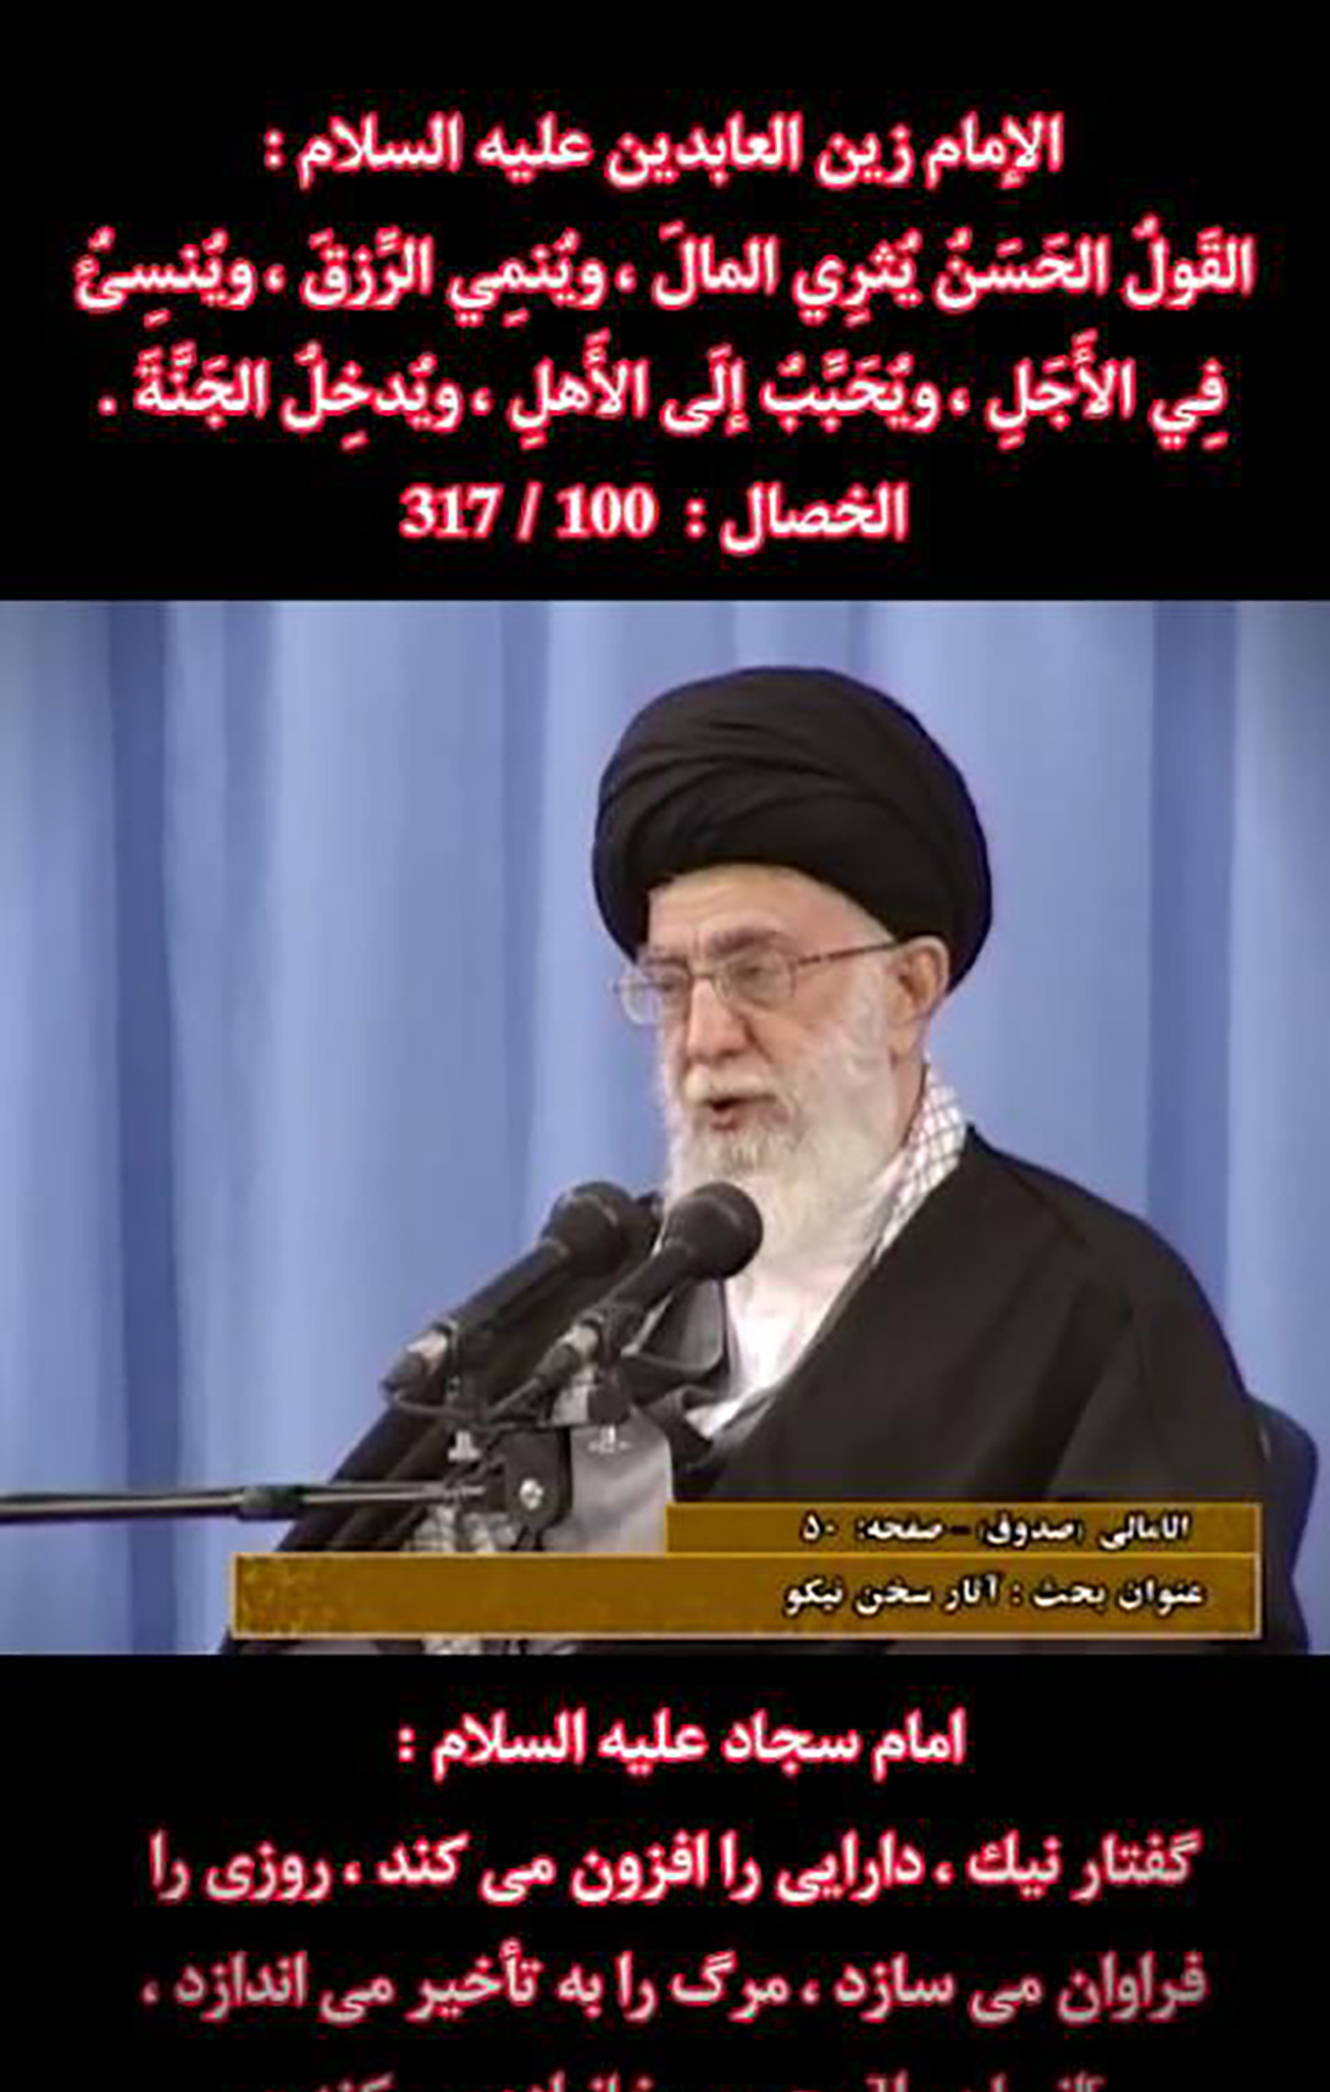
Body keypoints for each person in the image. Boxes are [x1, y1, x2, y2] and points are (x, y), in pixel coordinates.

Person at [232, 665, 1308, 1654]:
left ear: (908, 990)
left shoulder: (1095, 1311)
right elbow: (305, 1616)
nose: (704, 1036)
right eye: (670, 985)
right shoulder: (588, 1304)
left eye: (756, 972)